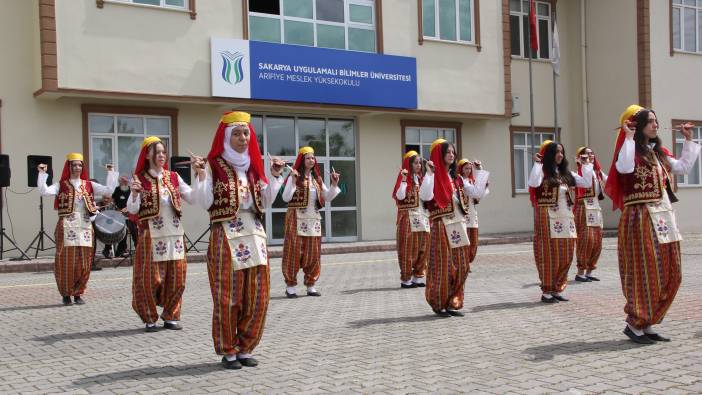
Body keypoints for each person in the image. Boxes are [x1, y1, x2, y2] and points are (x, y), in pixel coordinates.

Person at [191, 111, 285, 369]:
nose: (243, 138)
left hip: (254, 233)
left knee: (258, 296)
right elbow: (204, 202)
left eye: (246, 133)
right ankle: (228, 349)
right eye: (237, 133)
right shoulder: (213, 166)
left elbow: (265, 201)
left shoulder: (253, 167)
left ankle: (246, 347)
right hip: (225, 233)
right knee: (228, 295)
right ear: (225, 137)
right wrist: (199, 177)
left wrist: (274, 176)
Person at [605, 105, 700, 344]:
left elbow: (683, 168)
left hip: (664, 217)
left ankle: (648, 321)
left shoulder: (658, 153)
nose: (655, 125)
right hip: (640, 218)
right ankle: (635, 323)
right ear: (636, 127)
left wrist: (689, 141)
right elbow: (625, 168)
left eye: (656, 121)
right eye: (650, 121)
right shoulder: (629, 152)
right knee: (645, 271)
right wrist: (627, 137)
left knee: (671, 271)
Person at [128, 136, 195, 332]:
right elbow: (132, 210)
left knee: (177, 276)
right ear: (147, 155)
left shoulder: (174, 177)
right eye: (157, 152)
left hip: (174, 233)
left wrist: (201, 176)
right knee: (150, 278)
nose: (161, 156)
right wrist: (133, 194)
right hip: (151, 234)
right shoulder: (139, 179)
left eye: (163, 152)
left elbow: (192, 197)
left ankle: (171, 315)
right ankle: (149, 317)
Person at [419, 139, 489, 317]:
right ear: (439, 154)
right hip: (441, 224)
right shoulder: (433, 176)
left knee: (462, 265)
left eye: (453, 152)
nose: (452, 155)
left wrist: (479, 172)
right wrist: (428, 174)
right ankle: (439, 303)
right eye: (448, 152)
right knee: (443, 266)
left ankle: (452, 301)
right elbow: (426, 196)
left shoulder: (456, 179)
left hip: (458, 225)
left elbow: (476, 193)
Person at [37, 153, 117, 305]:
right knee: (66, 261)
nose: (77, 168)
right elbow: (44, 191)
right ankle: (66, 294)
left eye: (79, 165)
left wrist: (111, 173)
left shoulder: (89, 185)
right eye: (74, 165)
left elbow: (108, 191)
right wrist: (42, 173)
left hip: (85, 227)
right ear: (69, 167)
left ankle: (78, 293)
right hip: (66, 226)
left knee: (85, 261)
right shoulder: (61, 184)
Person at [528, 140, 593, 303]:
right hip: (547, 216)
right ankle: (547, 290)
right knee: (549, 253)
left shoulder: (567, 173)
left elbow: (586, 183)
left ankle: (557, 287)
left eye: (562, 152)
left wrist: (585, 164)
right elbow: (533, 183)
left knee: (567, 253)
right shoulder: (543, 171)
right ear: (550, 155)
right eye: (557, 152)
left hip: (567, 218)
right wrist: (537, 163)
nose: (560, 155)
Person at [281, 146, 340, 298]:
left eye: (313, 158)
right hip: (296, 218)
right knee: (293, 252)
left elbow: (327, 197)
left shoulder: (317, 180)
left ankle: (311, 285)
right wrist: (293, 182)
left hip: (313, 220)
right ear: (302, 160)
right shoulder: (295, 176)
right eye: (308, 158)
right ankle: (290, 286)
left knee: (313, 254)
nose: (311, 160)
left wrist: (334, 184)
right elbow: (286, 198)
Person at [392, 150, 429, 288]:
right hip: (408, 217)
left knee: (423, 247)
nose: (419, 165)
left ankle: (418, 277)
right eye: (416, 163)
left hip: (422, 217)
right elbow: (400, 196)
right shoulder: (403, 180)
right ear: (409, 164)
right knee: (407, 248)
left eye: (420, 163)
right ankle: (406, 279)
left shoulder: (421, 179)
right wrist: (403, 180)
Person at [573, 147, 608, 282]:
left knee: (597, 241)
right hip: (583, 208)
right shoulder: (578, 172)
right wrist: (584, 164)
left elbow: (610, 180)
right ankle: (580, 272)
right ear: (581, 157)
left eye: (592, 153)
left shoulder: (598, 173)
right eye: (586, 153)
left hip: (595, 208)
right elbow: (585, 183)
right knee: (585, 241)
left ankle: (589, 271)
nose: (590, 155)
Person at [456, 158, 490, 268]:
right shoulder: (460, 181)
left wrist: (483, 184)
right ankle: (463, 263)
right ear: (461, 169)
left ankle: (467, 262)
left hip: (472, 214)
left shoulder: (471, 181)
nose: (469, 171)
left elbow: (479, 195)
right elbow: (475, 192)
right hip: (463, 215)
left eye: (470, 169)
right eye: (466, 168)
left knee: (474, 242)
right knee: (464, 240)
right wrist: (482, 180)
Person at [112, 175, 135, 257]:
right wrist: (117, 209)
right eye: (122, 180)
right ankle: (120, 251)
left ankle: (138, 250)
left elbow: (133, 201)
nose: (124, 182)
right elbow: (113, 200)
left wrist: (127, 208)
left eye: (126, 181)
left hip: (130, 213)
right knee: (122, 234)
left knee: (134, 232)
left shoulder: (130, 190)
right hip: (119, 214)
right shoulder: (117, 189)